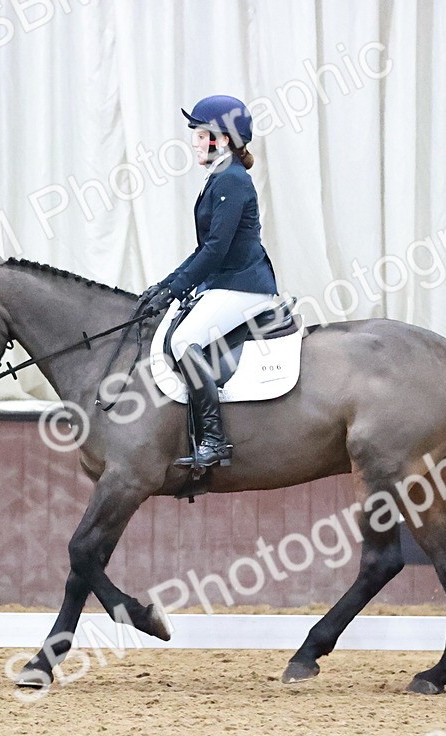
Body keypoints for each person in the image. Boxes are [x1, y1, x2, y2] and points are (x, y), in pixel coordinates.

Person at [137, 94, 279, 470]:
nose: (195, 142)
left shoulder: (231, 179)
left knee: (184, 340)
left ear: (224, 139)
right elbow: (206, 249)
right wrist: (165, 285)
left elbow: (215, 250)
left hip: (244, 285)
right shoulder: (220, 176)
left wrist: (174, 288)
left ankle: (214, 440)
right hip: (225, 282)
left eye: (202, 135)